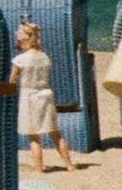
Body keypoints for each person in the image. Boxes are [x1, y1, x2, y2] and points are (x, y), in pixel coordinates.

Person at [13, 21, 75, 172]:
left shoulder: (20, 59)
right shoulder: (44, 57)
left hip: (29, 95)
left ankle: (39, 168)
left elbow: (11, 81)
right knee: (54, 133)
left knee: (34, 136)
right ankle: (69, 165)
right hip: (45, 94)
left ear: (23, 40)